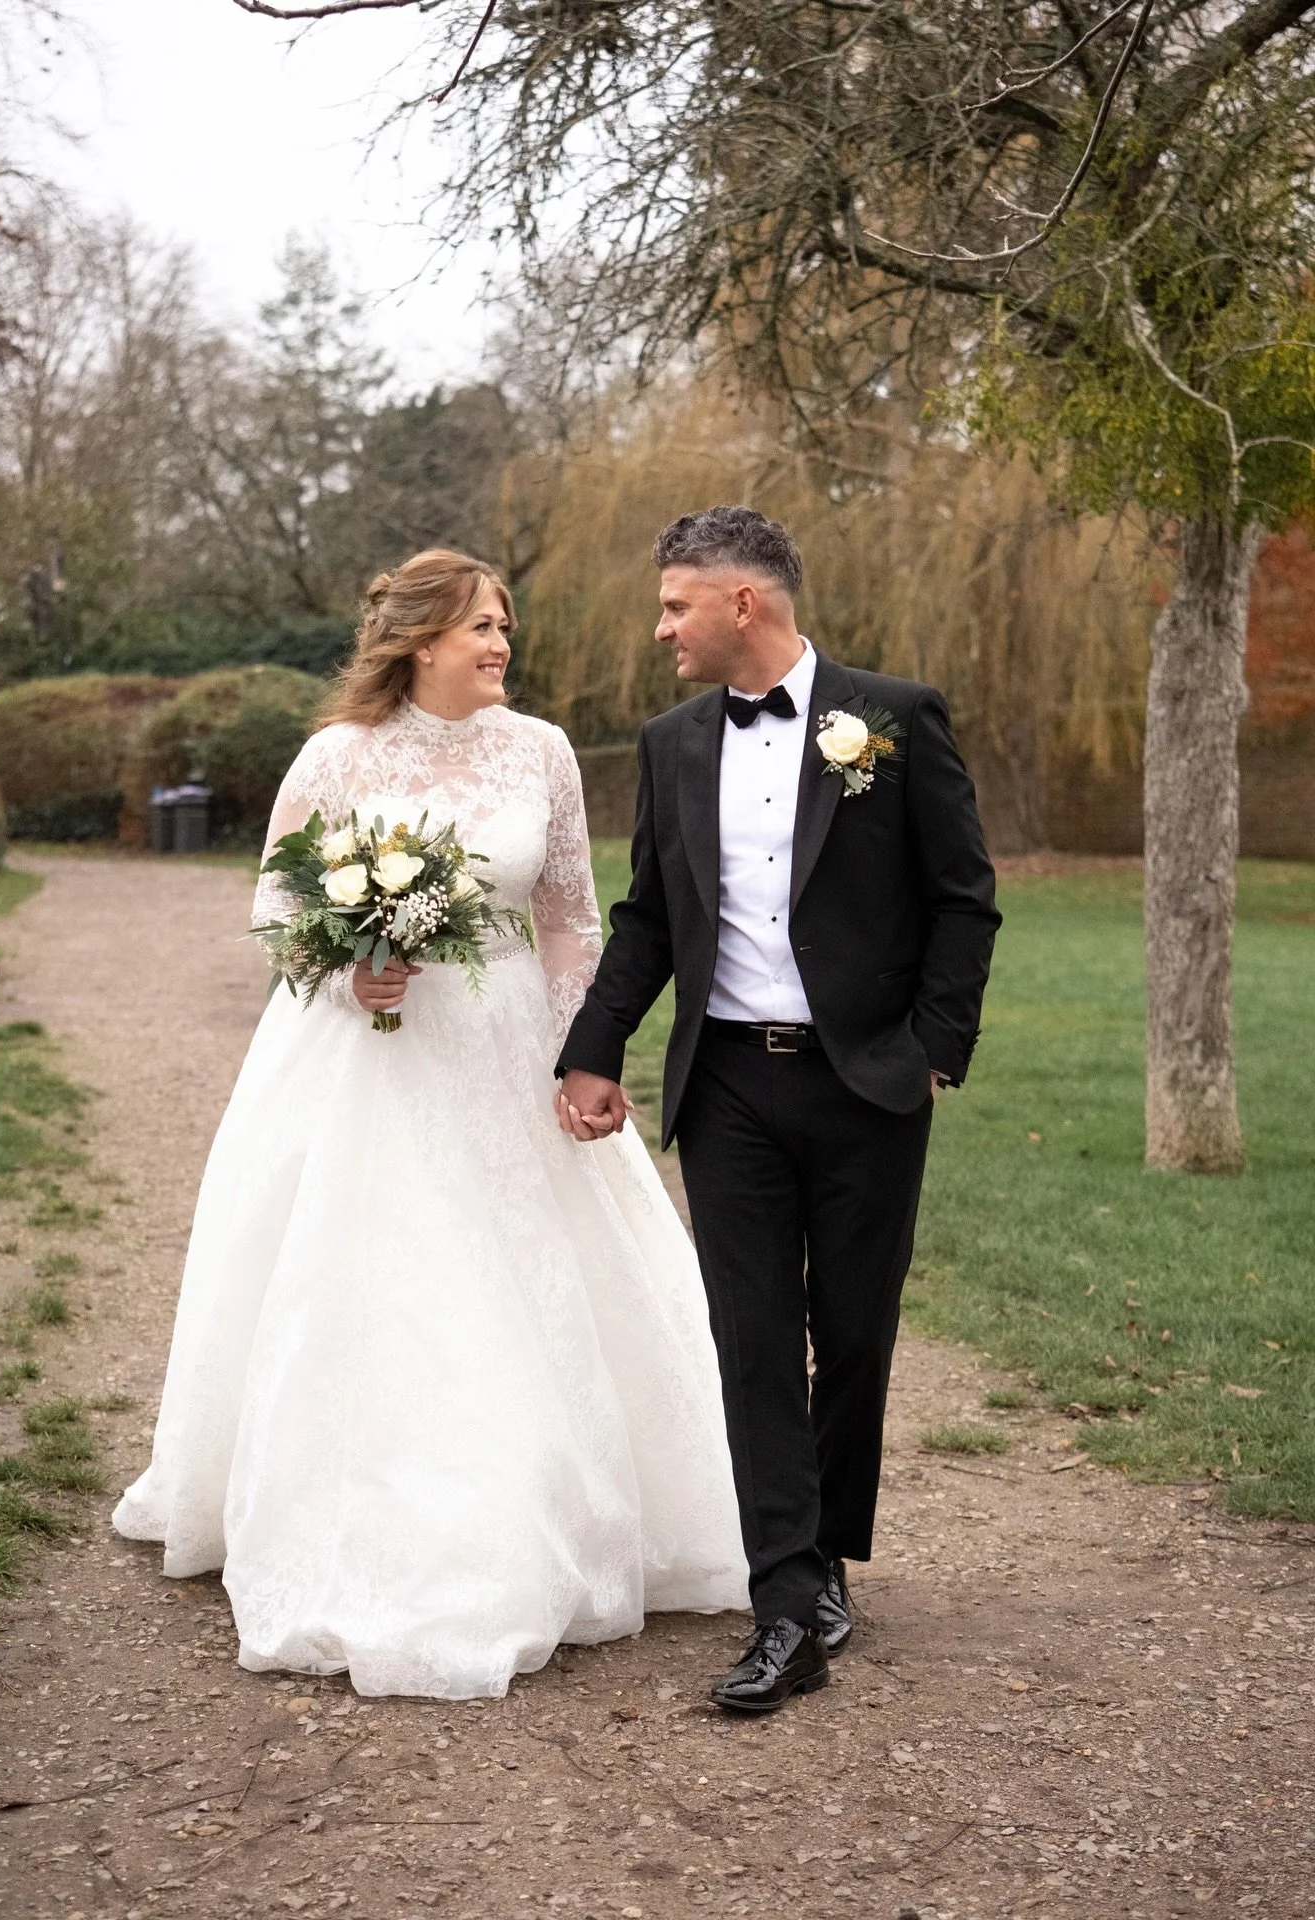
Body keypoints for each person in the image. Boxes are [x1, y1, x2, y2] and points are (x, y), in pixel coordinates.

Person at [113, 548, 748, 1700]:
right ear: (416, 640)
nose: (500, 643)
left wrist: (582, 1053)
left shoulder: (544, 753)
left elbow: (565, 920)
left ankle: (552, 1508)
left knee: (528, 1271)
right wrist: (352, 964)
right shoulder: (337, 757)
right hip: (366, 1065)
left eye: (504, 624)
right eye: (477, 627)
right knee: (386, 1277)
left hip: (508, 1047)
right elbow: (276, 901)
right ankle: (383, 1522)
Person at [556, 507, 1000, 1713]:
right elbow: (650, 912)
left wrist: (933, 1055)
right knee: (752, 1342)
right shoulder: (670, 743)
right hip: (730, 1084)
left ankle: (828, 1554)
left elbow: (965, 898)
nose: (660, 630)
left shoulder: (893, 720)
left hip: (868, 1081)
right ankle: (787, 1602)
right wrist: (595, 1049)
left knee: (850, 1335)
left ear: (742, 603)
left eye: (673, 605)